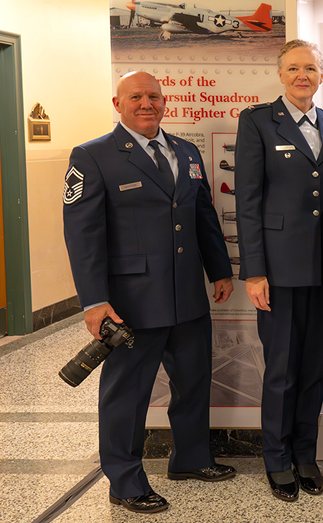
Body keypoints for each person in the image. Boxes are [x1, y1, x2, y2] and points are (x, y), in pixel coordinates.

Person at [63, 71, 236, 514]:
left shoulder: (185, 151)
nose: (146, 103)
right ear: (117, 103)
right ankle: (124, 480)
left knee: (194, 381)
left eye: (153, 96)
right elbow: (83, 236)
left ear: (165, 102)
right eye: (135, 96)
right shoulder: (94, 156)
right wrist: (93, 301)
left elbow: (203, 216)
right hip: (131, 304)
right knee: (128, 393)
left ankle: (191, 458)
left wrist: (219, 270)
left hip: (187, 297)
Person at [235, 39, 323, 501]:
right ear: (281, 74)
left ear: (322, 75)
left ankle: (305, 453)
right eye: (294, 68)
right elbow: (248, 201)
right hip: (279, 270)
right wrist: (254, 271)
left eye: (311, 68)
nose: (303, 76)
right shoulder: (258, 121)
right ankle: (277, 458)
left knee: (312, 370)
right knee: (281, 369)